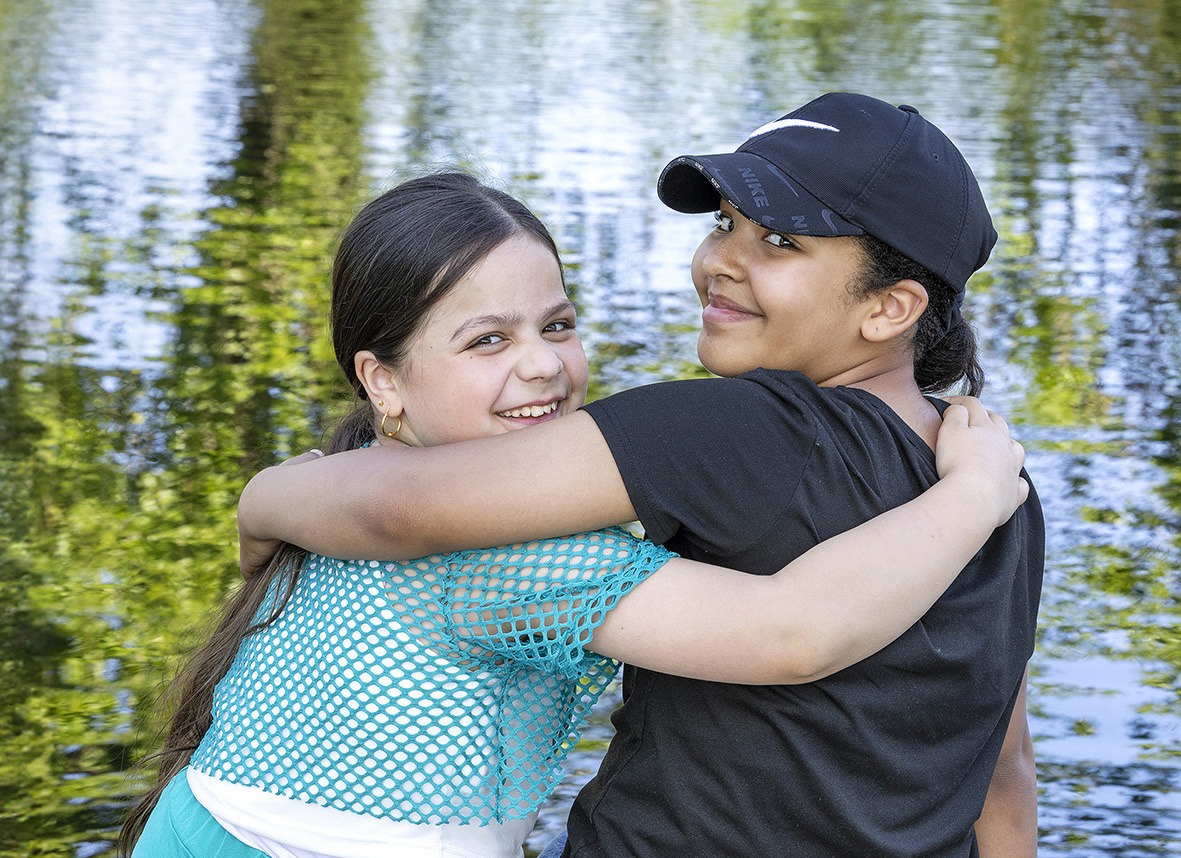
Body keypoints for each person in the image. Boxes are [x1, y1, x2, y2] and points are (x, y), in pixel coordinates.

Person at [120, 170, 1025, 858]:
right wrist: (972, 496)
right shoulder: (506, 560)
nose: (544, 368)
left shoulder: (356, 477)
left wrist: (265, 492)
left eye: (556, 326)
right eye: (488, 341)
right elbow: (790, 630)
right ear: (382, 380)